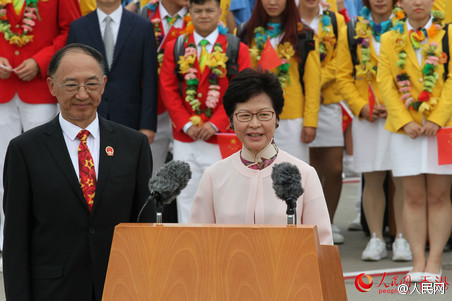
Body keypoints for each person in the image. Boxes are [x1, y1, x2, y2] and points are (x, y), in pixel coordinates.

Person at [2, 43, 155, 301]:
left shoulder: (133, 145)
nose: (82, 95)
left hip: (120, 287)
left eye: (91, 84)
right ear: (52, 86)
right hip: (53, 291)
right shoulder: (24, 150)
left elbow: (145, 227)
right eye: (71, 85)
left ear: (104, 84)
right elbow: (16, 239)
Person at [189, 68, 333, 245]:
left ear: (277, 119)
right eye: (245, 115)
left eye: (264, 115)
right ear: (231, 121)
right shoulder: (214, 176)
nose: (255, 124)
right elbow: (197, 242)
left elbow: (322, 245)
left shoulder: (304, 174)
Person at [377, 0, 452, 281]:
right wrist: (404, 120)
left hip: (442, 129)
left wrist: (439, 117)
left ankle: (435, 260)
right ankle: (417, 259)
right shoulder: (389, 38)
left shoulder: (448, 34)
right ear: (401, 4)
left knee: (438, 195)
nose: (417, 2)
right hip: (404, 130)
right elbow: (385, 82)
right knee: (412, 197)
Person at [159, 0, 251, 223]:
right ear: (190, 12)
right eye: (197, 10)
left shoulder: (236, 47)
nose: (203, 15)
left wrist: (215, 123)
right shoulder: (176, 46)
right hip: (185, 137)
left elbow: (242, 90)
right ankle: (190, 251)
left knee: (224, 197)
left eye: (209, 10)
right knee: (186, 196)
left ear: (220, 12)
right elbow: (168, 88)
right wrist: (187, 124)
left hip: (221, 136)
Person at [0, 0, 81, 252]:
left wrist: (41, 61)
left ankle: (50, 235)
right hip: (2, 90)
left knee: (49, 164)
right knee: (1, 165)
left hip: (40, 87)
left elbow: (71, 29)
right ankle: (6, 241)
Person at [337, 0, 412, 261]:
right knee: (372, 177)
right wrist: (361, 108)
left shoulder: (406, 26)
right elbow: (343, 75)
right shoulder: (353, 29)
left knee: (402, 177)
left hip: (401, 114)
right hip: (367, 117)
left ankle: (402, 238)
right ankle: (376, 238)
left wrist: (398, 106)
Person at [237, 0, 320, 164]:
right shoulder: (245, 32)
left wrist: (310, 122)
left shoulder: (303, 34)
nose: (272, 2)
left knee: (292, 176)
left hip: (292, 120)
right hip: (254, 119)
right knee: (256, 173)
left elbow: (312, 83)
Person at [67, 0, 159, 145]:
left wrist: (147, 125)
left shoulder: (143, 27)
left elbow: (150, 80)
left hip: (130, 119)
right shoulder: (78, 27)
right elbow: (70, 76)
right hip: (87, 116)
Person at [299, 0, 346, 244]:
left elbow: (339, 60)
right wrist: (307, 86)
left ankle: (328, 220)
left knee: (334, 168)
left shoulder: (335, 20)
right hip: (297, 99)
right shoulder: (289, 18)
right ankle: (306, 222)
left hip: (327, 99)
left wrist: (316, 82)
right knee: (308, 165)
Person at [139, 0, 190, 176]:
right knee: (149, 173)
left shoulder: (199, 15)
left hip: (188, 107)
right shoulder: (144, 14)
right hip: (151, 108)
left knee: (188, 174)